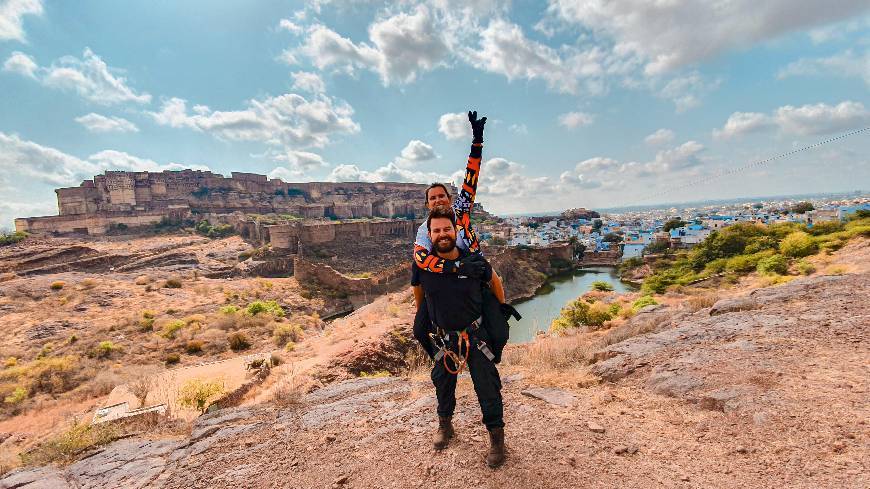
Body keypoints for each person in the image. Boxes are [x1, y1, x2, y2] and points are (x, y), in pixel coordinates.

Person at [411, 205, 507, 468]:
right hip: (444, 339)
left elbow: (495, 284)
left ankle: (497, 440)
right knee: (443, 384)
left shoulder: (474, 261)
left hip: (476, 337)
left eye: (447, 229)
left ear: (455, 231)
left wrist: (499, 312)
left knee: (487, 388)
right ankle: (445, 425)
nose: (442, 234)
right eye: (437, 230)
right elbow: (419, 295)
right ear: (429, 235)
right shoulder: (423, 266)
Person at [412, 111, 507, 359]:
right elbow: (421, 259)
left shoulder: (461, 212)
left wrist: (477, 141)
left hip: (475, 270)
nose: (437, 200)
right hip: (444, 276)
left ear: (449, 198)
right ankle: (439, 357)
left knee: (499, 324)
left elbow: (471, 179)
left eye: (441, 195)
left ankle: (493, 352)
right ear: (427, 204)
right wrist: (455, 267)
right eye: (432, 198)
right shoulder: (425, 230)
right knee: (419, 329)